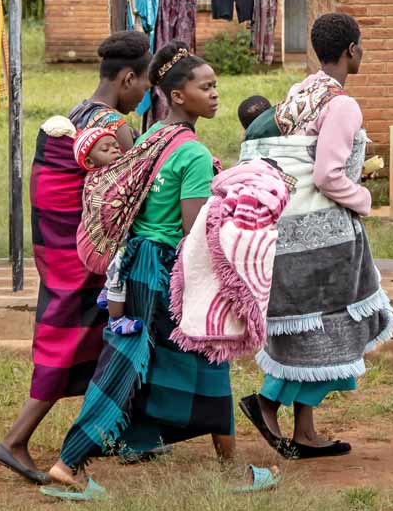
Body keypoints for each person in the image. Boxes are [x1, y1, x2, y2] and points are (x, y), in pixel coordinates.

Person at [39, 41, 280, 501]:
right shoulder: (190, 153)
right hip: (169, 269)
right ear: (176, 95)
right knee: (185, 360)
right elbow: (194, 229)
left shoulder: (150, 137)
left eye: (215, 86)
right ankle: (70, 463)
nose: (214, 94)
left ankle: (212, 464)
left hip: (136, 265)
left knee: (149, 362)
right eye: (204, 87)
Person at [0, 31, 152, 484]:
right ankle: (16, 440)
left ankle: (124, 432)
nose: (144, 97)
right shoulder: (116, 126)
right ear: (127, 78)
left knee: (104, 341)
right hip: (82, 256)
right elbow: (134, 190)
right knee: (84, 340)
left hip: (58, 248)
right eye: (143, 87)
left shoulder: (79, 111)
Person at [238, 13, 393, 459]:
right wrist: (364, 198)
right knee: (345, 326)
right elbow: (328, 175)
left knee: (312, 330)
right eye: (361, 45)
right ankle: (268, 401)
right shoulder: (342, 104)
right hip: (325, 239)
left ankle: (305, 431)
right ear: (351, 50)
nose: (362, 52)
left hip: (288, 230)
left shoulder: (302, 90)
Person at [73, 127, 143, 336]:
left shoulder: (111, 170)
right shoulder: (100, 179)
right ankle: (116, 319)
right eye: (105, 149)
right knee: (119, 271)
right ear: (90, 163)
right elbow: (108, 204)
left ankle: (105, 291)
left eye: (115, 146)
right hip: (97, 246)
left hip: (94, 239)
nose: (114, 150)